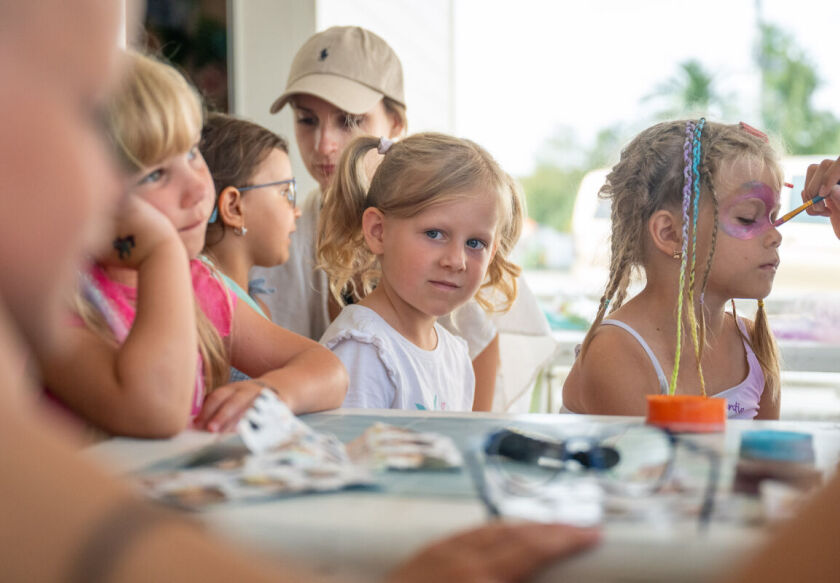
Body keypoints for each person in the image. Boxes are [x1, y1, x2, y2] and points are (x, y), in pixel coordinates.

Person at [37, 51, 347, 437]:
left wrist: (273, 391)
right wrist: (161, 252)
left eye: (191, 152)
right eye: (155, 175)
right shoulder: (51, 305)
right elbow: (153, 410)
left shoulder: (199, 283)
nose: (200, 187)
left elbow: (329, 370)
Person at [251, 25, 530, 411]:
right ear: (376, 231)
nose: (324, 144)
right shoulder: (282, 235)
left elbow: (480, 345)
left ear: (395, 124)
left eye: (348, 120)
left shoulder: (454, 212)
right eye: (307, 120)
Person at [563, 120, 782, 419]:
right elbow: (653, 466)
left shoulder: (752, 342)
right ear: (670, 234)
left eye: (774, 217)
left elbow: (767, 462)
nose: (775, 235)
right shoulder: (617, 353)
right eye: (747, 218)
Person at [317, 133, 523, 411]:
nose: (456, 260)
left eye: (475, 243)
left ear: (493, 252)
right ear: (378, 231)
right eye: (435, 233)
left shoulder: (455, 354)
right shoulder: (363, 350)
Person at [201, 112, 301, 320]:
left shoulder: (254, 304)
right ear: (234, 208)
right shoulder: (214, 304)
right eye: (286, 192)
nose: (297, 211)